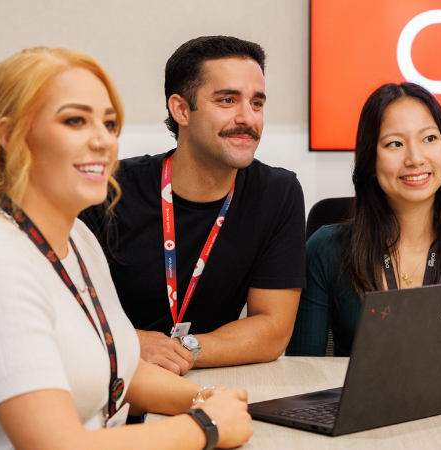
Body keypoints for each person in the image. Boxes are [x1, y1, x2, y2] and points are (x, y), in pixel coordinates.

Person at [0, 47, 252, 450]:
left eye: (110, 123)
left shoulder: (78, 240)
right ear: (11, 135)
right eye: (75, 120)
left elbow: (121, 368)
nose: (103, 141)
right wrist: (205, 427)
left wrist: (204, 398)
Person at [81, 36, 306, 375]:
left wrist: (184, 350)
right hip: (108, 380)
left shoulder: (278, 192)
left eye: (257, 103)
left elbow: (272, 329)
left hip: (205, 382)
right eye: (228, 100)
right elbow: (59, 312)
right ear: (181, 110)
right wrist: (131, 343)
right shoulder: (108, 189)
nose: (248, 117)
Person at [286, 82, 441, 359]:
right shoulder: (326, 251)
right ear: (370, 162)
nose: (415, 158)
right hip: (349, 402)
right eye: (395, 143)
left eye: (429, 138)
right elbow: (304, 374)